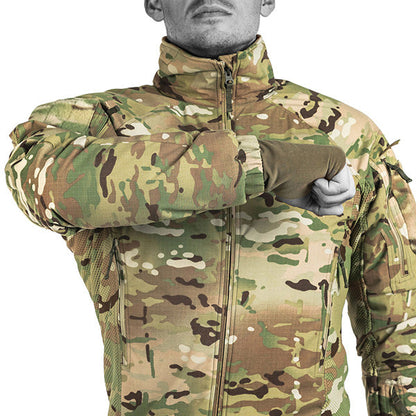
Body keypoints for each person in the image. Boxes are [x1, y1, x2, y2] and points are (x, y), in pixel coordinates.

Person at [4, 0, 416, 415]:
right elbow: (42, 184)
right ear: (154, 2)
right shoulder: (99, 126)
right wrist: (260, 163)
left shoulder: (348, 135)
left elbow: (400, 333)